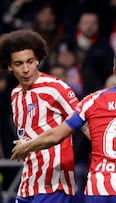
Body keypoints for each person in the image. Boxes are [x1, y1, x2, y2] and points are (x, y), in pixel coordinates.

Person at [11, 46, 116, 203]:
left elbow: (56, 135)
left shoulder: (92, 100)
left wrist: (27, 145)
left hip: (96, 190)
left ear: (115, 71)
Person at [0, 29, 81, 203]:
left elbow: (84, 122)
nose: (26, 69)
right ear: (9, 66)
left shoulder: (55, 87)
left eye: (30, 61)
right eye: (19, 63)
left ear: (37, 60)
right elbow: (29, 133)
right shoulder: (15, 95)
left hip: (54, 180)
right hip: (28, 180)